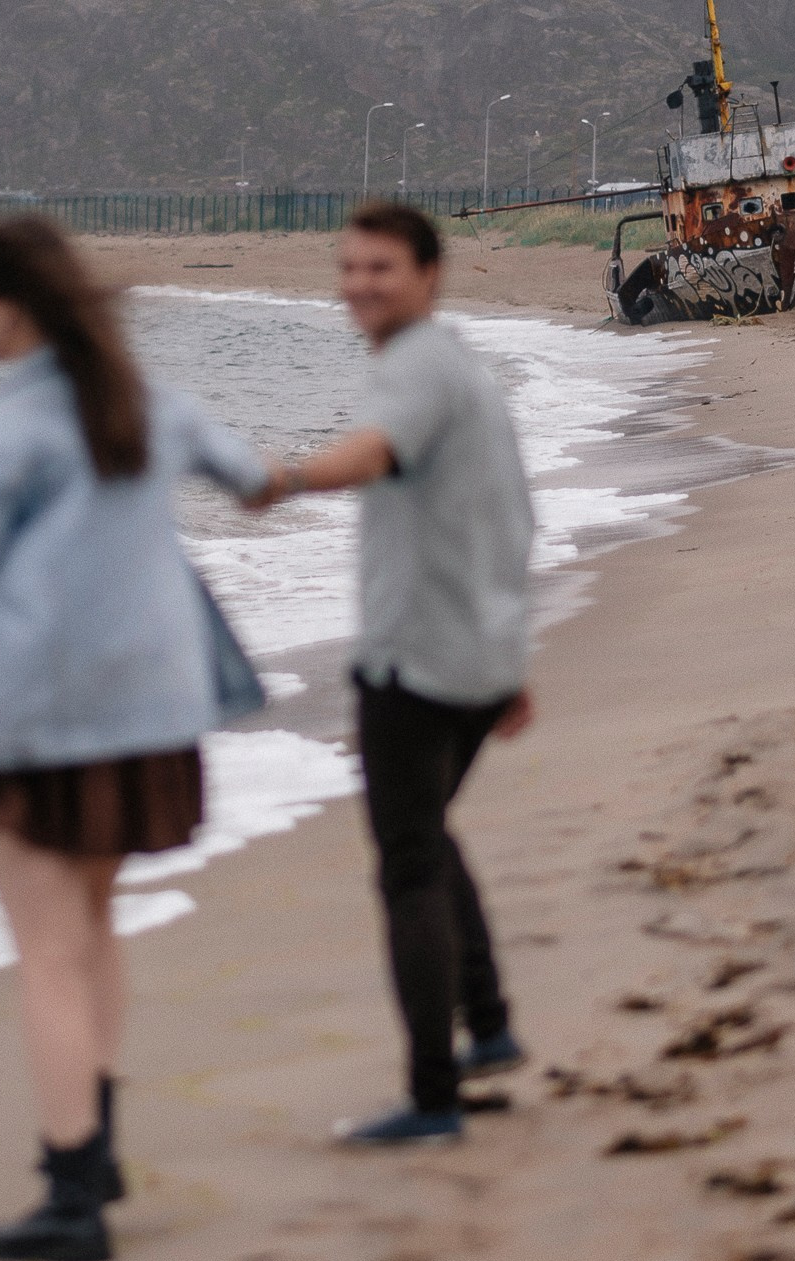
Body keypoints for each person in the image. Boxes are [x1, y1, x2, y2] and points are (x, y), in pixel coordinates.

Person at [0, 215, 271, 1261]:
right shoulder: (138, 401)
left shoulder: (5, 430)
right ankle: (97, 1145)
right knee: (90, 929)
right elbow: (247, 473)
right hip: (147, 715)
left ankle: (71, 1191)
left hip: (33, 722)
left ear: (6, 302)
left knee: (46, 957)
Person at [251, 201, 536, 1147]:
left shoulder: (416, 367)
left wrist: (288, 478)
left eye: (380, 268)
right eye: (350, 269)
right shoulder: (460, 367)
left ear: (429, 275)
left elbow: (373, 453)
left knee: (407, 860)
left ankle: (431, 1096)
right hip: (474, 652)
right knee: (426, 830)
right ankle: (487, 1026)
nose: (361, 285)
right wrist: (512, 656)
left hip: (418, 657)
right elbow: (509, 513)